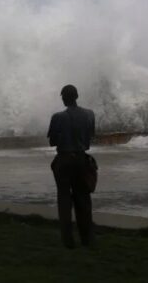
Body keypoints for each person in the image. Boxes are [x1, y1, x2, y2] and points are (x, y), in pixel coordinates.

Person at [47, 84, 96, 248]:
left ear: (64, 98)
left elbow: (52, 141)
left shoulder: (58, 117)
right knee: (83, 200)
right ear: (77, 96)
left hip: (64, 160)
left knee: (64, 200)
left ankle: (68, 241)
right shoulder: (90, 115)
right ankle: (86, 240)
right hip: (82, 160)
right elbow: (90, 136)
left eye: (62, 97)